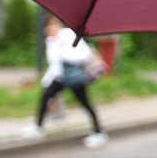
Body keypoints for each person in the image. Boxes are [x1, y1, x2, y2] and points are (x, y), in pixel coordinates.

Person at [22, 16, 107, 148]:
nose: (51, 28)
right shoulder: (50, 41)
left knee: (85, 103)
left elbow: (84, 54)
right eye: (48, 26)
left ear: (60, 25)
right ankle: (38, 128)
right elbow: (54, 65)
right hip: (61, 78)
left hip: (74, 77)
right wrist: (46, 81)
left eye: (54, 24)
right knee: (45, 97)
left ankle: (98, 132)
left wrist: (65, 54)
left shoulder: (67, 34)